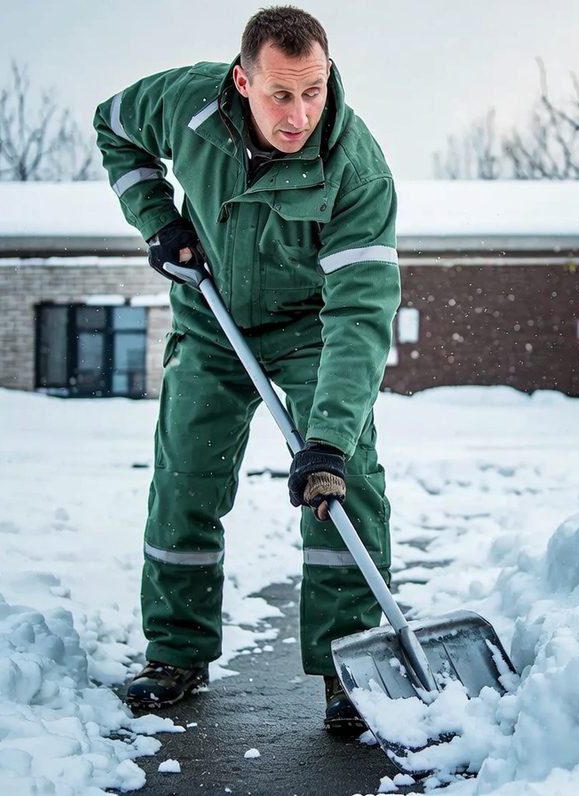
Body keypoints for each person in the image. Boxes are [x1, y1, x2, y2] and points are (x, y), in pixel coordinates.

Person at [93, 5, 399, 733]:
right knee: (185, 482)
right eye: (280, 94)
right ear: (242, 81)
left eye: (314, 91)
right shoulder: (186, 103)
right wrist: (158, 221)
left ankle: (346, 667)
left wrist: (326, 442)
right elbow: (114, 126)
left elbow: (359, 316)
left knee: (343, 484)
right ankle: (176, 652)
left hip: (309, 327)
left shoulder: (354, 169)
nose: (299, 114)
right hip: (212, 316)